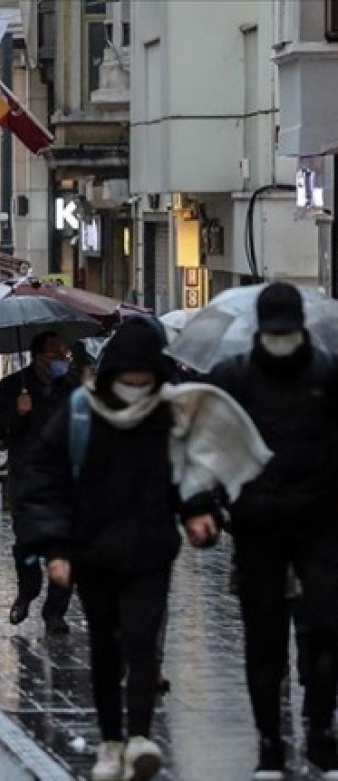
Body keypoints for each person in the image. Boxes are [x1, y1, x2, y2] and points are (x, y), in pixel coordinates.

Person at [16, 318, 269, 781]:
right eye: (130, 380)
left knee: (141, 642)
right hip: (93, 551)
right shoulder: (81, 413)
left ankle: (139, 738)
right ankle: (111, 742)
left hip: (151, 550)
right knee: (106, 649)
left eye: (145, 380)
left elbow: (184, 474)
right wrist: (55, 549)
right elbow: (46, 482)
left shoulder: (168, 413)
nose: (137, 389)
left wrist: (198, 512)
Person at [205, 282, 338, 779]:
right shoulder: (233, 379)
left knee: (325, 627)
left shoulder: (328, 375)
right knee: (263, 636)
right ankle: (268, 742)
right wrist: (208, 503)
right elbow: (207, 445)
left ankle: (320, 728)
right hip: (258, 524)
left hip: (320, 522)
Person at [0, 332, 76, 634]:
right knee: (27, 543)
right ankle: (27, 592)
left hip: (64, 481)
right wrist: (17, 413)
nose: (61, 362)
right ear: (37, 357)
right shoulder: (12, 386)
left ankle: (55, 612)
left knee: (64, 549)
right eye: (54, 356)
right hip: (27, 480)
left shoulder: (72, 388)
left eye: (64, 356)